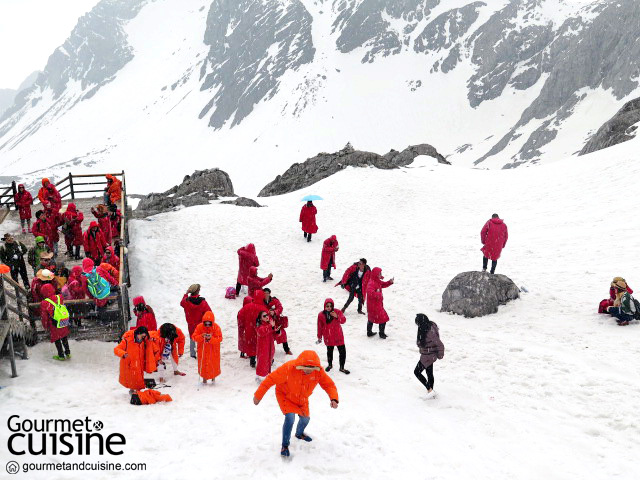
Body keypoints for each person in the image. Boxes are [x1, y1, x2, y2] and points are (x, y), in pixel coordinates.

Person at [253, 350, 339, 457]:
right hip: (286, 396)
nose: (308, 371)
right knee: (290, 418)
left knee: (305, 419)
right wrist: (258, 396)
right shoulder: (289, 368)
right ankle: (285, 445)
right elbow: (270, 380)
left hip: (302, 399)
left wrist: (334, 398)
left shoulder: (319, 371)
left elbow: (329, 385)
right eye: (306, 369)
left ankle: (299, 434)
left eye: (311, 369)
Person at [114, 326, 158, 394]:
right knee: (131, 378)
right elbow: (116, 349)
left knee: (138, 379)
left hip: (139, 364)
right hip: (130, 364)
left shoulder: (143, 341)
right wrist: (123, 354)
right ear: (138, 334)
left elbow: (154, 334)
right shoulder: (127, 340)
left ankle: (137, 391)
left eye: (144, 336)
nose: (144, 338)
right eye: (143, 336)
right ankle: (133, 391)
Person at [414, 314, 444, 399]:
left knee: (417, 372)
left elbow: (439, 344)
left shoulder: (429, 331)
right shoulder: (427, 327)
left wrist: (440, 355)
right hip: (428, 354)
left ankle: (430, 390)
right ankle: (431, 392)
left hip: (428, 355)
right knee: (429, 373)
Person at [316, 298, 349, 374]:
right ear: (324, 306)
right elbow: (319, 326)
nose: (329, 308)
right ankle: (330, 365)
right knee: (329, 351)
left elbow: (343, 320)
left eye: (330, 306)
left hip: (338, 336)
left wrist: (337, 316)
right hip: (328, 336)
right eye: (327, 306)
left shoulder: (337, 311)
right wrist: (319, 337)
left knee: (342, 352)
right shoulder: (321, 315)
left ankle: (342, 367)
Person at [40, 283, 71, 361]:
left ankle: (61, 355)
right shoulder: (59, 297)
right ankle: (68, 353)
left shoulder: (44, 303)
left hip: (54, 323)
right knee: (64, 337)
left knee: (57, 339)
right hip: (63, 320)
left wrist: (45, 325)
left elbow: (44, 317)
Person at [180, 284, 211, 358]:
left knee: (192, 337)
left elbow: (181, 303)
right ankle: (201, 352)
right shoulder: (203, 302)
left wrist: (186, 294)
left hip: (191, 324)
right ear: (197, 291)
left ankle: (192, 354)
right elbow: (209, 312)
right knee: (201, 337)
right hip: (200, 324)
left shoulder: (186, 301)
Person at [240, 290, 269, 367]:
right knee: (260, 344)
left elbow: (240, 315)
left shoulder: (247, 306)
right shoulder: (264, 309)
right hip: (260, 329)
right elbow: (268, 319)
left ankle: (252, 361)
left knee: (251, 344)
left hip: (249, 329)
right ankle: (261, 360)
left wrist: (244, 324)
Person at [192, 311, 222, 384]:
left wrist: (211, 339)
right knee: (203, 365)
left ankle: (213, 379)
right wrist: (202, 336)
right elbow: (194, 337)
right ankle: (204, 380)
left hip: (213, 350)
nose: (208, 325)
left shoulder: (216, 327)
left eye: (209, 323)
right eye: (206, 323)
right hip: (202, 350)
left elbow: (219, 338)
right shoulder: (199, 327)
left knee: (213, 364)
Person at [365, 267, 394, 338]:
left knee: (371, 318)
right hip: (375, 305)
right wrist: (378, 294)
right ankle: (381, 334)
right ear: (376, 274)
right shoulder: (371, 283)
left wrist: (389, 282)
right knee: (383, 318)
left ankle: (369, 332)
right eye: (379, 273)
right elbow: (369, 292)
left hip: (373, 305)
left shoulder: (376, 280)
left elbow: (383, 284)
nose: (381, 274)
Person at [263, 288, 291, 355]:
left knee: (283, 335)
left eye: (267, 293)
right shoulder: (261, 301)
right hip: (266, 322)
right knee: (268, 337)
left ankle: (287, 349)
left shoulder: (274, 300)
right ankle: (267, 351)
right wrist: (267, 313)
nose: (266, 294)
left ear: (270, 293)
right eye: (264, 293)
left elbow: (280, 308)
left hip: (276, 322)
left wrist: (275, 312)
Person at [256, 311, 277, 382]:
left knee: (268, 362)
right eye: (264, 316)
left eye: (267, 315)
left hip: (270, 348)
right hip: (263, 349)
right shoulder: (259, 326)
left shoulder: (269, 324)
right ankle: (260, 378)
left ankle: (265, 377)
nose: (266, 316)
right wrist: (271, 326)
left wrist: (276, 330)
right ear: (260, 318)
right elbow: (262, 332)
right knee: (262, 363)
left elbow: (274, 335)